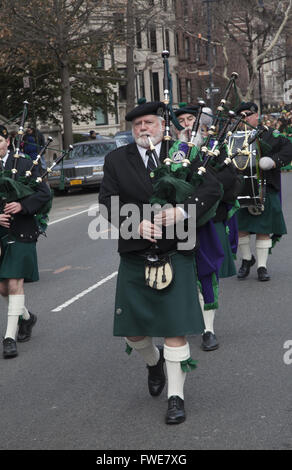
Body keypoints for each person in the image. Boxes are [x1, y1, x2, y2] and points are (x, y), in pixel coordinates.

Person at [99, 101, 224, 424]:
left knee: (175, 330)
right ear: (132, 129)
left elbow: (212, 187)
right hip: (135, 254)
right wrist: (134, 224)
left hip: (176, 251)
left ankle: (176, 397)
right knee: (134, 334)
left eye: (149, 122)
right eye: (138, 124)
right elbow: (107, 203)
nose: (143, 129)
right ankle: (153, 362)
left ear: (162, 125)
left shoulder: (182, 152)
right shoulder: (116, 160)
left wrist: (182, 212)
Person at [173, 104, 241, 351]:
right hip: (175, 224)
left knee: (206, 273)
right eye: (182, 119)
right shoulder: (171, 150)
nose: (187, 123)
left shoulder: (215, 148)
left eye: (192, 118)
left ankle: (208, 329)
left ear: (203, 122)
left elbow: (230, 180)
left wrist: (202, 183)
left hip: (206, 221)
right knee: (177, 275)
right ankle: (181, 321)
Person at [0, 124, 51, 358]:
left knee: (15, 281)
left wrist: (22, 206)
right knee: (3, 286)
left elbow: (44, 193)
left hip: (22, 231)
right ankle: (26, 317)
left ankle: (9, 337)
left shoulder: (25, 164)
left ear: (7, 142)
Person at [235, 102, 292, 281]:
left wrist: (273, 161)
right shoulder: (232, 137)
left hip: (264, 187)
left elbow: (289, 148)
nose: (245, 118)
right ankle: (246, 260)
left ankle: (261, 266)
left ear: (256, 116)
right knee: (241, 228)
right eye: (241, 115)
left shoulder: (269, 134)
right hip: (239, 188)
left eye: (248, 115)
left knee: (263, 228)